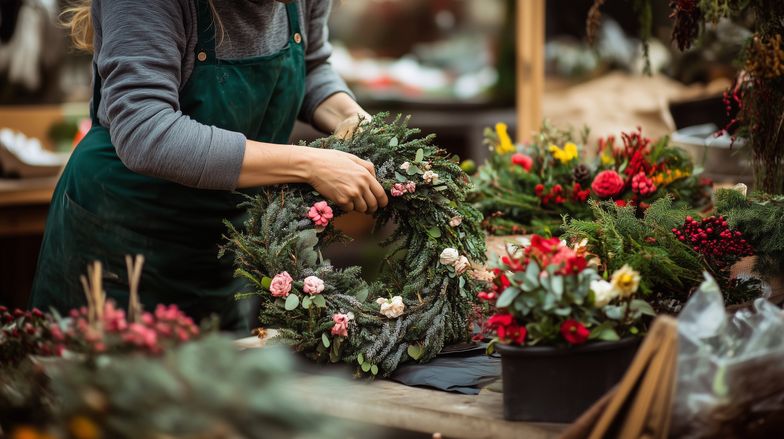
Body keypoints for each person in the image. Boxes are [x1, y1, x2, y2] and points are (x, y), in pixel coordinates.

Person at [30, 0, 388, 330]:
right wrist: (309, 163)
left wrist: (356, 121)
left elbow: (311, 65)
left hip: (224, 245)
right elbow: (146, 130)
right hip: (122, 246)